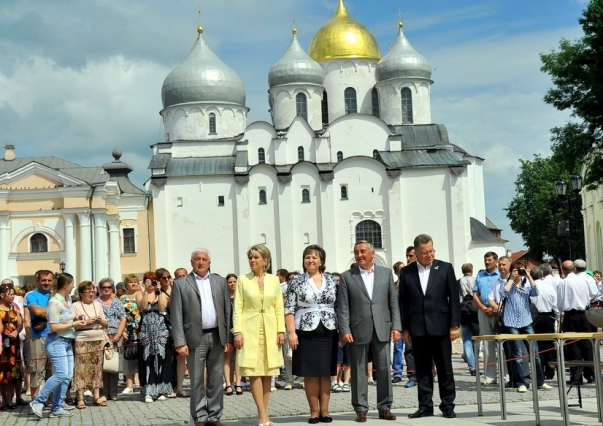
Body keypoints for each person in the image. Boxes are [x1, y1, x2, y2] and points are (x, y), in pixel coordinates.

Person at [338, 241, 401, 422]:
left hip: (382, 328)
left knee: (383, 369)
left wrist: (396, 326)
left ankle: (385, 407)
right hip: (357, 330)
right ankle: (360, 409)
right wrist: (344, 329)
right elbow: (343, 307)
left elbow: (393, 303)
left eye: (363, 251)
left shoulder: (386, 274)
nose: (359, 255)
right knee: (358, 371)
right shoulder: (347, 276)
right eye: (356, 252)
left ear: (372, 254)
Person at [398, 234, 459, 419]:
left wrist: (454, 325)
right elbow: (403, 302)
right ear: (416, 252)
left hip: (441, 326)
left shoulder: (445, 268)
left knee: (445, 369)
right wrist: (405, 328)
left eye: (432, 251)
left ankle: (447, 405)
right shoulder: (406, 272)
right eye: (425, 253)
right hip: (417, 327)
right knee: (422, 370)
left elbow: (454, 299)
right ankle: (425, 406)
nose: (429, 255)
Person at [172, 248, 232, 426]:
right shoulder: (181, 284)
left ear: (209, 262)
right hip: (193, 338)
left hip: (217, 335)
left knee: (215, 378)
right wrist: (180, 341)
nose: (201, 262)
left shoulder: (220, 282)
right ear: (191, 262)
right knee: (197, 380)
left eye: (204, 259)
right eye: (197, 259)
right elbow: (176, 315)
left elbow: (227, 311)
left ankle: (215, 416)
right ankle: (199, 417)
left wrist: (228, 337)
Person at [285, 245, 338, 423]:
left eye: (315, 257)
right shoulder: (296, 281)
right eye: (307, 257)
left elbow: (339, 305)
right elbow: (289, 309)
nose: (311, 260)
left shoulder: (332, 280)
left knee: (325, 372)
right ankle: (314, 411)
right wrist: (291, 333)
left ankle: (325, 411)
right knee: (311, 373)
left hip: (328, 330)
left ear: (321, 260)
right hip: (306, 331)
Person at [233, 244, 285, 426]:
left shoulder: (274, 280)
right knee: (254, 371)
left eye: (256, 257)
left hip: (270, 329)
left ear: (265, 260)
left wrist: (281, 330)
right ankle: (262, 414)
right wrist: (237, 331)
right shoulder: (242, 280)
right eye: (250, 258)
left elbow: (279, 306)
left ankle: (265, 413)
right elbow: (237, 308)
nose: (252, 261)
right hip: (250, 329)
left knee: (268, 372)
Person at [29, 273, 86, 419]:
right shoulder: (54, 302)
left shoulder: (67, 300)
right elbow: (53, 327)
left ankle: (57, 406)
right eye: (72, 283)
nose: (74, 286)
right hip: (56, 342)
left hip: (67, 342)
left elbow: (68, 318)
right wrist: (74, 323)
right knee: (60, 373)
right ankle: (38, 401)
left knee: (67, 376)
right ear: (65, 285)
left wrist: (78, 319)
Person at [498, 261, 552, 393]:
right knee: (517, 355)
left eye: (520, 270)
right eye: (516, 270)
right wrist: (511, 279)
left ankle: (540, 381)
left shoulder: (526, 285)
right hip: (511, 322)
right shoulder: (506, 284)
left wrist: (528, 276)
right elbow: (503, 293)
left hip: (526, 321)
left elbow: (536, 292)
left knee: (535, 353)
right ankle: (520, 382)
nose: (518, 273)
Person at [558, 260, 598, 384]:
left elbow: (559, 303)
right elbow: (594, 294)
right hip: (584, 313)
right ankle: (590, 374)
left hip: (570, 315)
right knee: (587, 344)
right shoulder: (585, 280)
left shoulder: (564, 282)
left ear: (563, 270)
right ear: (574, 269)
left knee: (573, 345)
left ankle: (576, 376)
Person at [137, 271, 174, 402]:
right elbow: (143, 307)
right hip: (146, 331)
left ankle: (162, 389)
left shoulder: (161, 293)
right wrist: (146, 291)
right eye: (149, 280)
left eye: (153, 280)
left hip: (161, 331)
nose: (151, 283)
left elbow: (163, 308)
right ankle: (148, 391)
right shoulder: (140, 294)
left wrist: (159, 291)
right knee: (147, 360)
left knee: (162, 359)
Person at [71, 281, 109, 409]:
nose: (91, 294)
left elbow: (105, 324)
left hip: (98, 338)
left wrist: (100, 321)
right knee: (81, 368)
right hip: (82, 338)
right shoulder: (75, 305)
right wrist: (86, 321)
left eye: (93, 291)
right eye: (88, 291)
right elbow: (74, 323)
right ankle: (80, 398)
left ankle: (96, 396)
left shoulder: (98, 305)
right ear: (81, 293)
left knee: (97, 368)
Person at [24, 270, 54, 400]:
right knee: (36, 369)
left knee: (52, 370)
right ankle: (35, 400)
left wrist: (47, 312)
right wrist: (56, 312)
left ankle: (48, 399)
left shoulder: (55, 295)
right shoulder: (31, 295)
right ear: (37, 281)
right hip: (38, 336)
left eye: (49, 280)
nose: (46, 283)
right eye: (43, 280)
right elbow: (36, 311)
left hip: (55, 336)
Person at [472, 252, 500, 385]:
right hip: (483, 311)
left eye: (489, 260)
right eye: (485, 260)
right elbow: (475, 294)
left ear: (496, 261)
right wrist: (483, 308)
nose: (487, 262)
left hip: (498, 312)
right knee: (487, 344)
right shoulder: (480, 275)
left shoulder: (501, 275)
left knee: (502, 344)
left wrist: (494, 309)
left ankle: (505, 375)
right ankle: (490, 376)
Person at [96, 278, 126, 401]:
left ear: (112, 288)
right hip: (101, 335)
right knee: (102, 364)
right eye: (104, 287)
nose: (106, 289)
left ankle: (113, 392)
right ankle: (102, 392)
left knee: (113, 363)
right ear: (100, 289)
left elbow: (123, 318)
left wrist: (119, 334)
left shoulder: (117, 302)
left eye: (109, 287)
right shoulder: (96, 303)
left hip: (115, 334)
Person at [530, 265, 558, 380]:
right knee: (549, 344)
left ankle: (539, 370)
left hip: (534, 317)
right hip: (547, 316)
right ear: (542, 275)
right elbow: (555, 304)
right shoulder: (549, 287)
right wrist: (556, 316)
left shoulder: (529, 287)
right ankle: (550, 371)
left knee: (537, 345)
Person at [0, 282, 24, 409]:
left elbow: (20, 323)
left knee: (12, 371)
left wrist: (16, 331)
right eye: (10, 295)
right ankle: (3, 399)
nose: (13, 297)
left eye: (14, 294)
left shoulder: (14, 308)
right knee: (2, 372)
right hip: (1, 343)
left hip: (14, 343)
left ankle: (10, 399)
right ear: (2, 295)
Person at [119, 274, 142, 394]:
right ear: (126, 284)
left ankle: (141, 382)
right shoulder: (122, 298)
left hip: (141, 330)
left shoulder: (142, 296)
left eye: (136, 281)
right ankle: (129, 385)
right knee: (128, 357)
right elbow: (119, 316)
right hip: (128, 330)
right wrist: (122, 331)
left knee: (142, 357)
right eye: (131, 282)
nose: (134, 283)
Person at [458, 263, 479, 376]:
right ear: (472, 270)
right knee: (476, 338)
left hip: (463, 311)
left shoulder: (459, 281)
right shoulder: (476, 280)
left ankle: (472, 367)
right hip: (475, 311)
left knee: (467, 340)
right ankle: (476, 362)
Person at [224, 273, 239, 396]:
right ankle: (228, 384)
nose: (232, 284)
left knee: (239, 357)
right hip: (227, 329)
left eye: (234, 281)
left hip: (239, 329)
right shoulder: (224, 297)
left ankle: (238, 383)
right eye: (230, 282)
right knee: (227, 356)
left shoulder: (241, 296)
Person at [391, 261, 405, 384]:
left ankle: (414, 372)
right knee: (397, 348)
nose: (402, 272)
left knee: (412, 350)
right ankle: (397, 373)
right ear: (396, 272)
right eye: (399, 270)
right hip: (397, 321)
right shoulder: (393, 285)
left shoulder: (411, 283)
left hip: (409, 321)